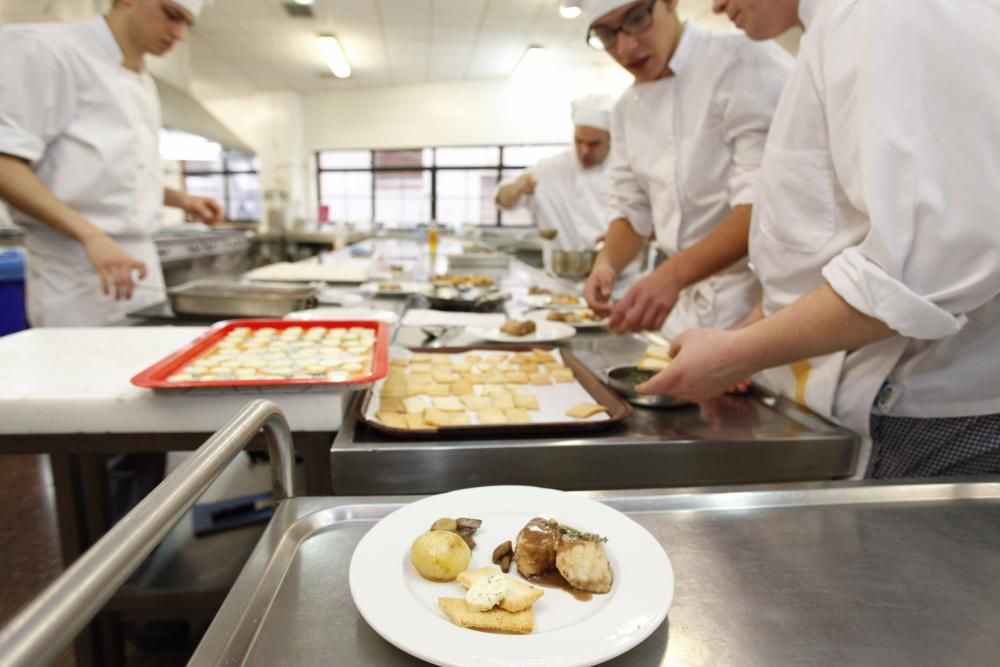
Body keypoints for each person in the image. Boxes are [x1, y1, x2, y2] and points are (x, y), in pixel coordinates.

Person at [641, 0, 1000, 478]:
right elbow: (825, 242)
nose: (714, 4)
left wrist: (739, 353)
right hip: (871, 401)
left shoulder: (879, 12)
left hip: (934, 419)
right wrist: (744, 335)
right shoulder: (836, 26)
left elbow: (920, 270)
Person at [0, 0, 223, 328]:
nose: (179, 34)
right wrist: (92, 236)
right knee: (83, 376)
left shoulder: (142, 79)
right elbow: (6, 163)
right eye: (172, 15)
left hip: (141, 268)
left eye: (187, 24)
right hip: (76, 272)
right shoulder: (45, 49)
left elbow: (110, 172)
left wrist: (182, 200)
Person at [579, 0, 792, 336]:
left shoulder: (744, 61)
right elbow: (631, 208)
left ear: (671, 3)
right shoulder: (624, 111)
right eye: (606, 34)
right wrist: (606, 264)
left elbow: (764, 204)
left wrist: (672, 275)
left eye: (637, 18)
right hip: (684, 307)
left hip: (760, 303)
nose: (625, 47)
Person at [495, 94, 618, 256]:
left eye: (594, 144)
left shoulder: (625, 170)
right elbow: (503, 201)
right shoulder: (550, 168)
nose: (584, 150)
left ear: (611, 139)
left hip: (620, 277)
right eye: (579, 141)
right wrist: (518, 187)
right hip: (561, 278)